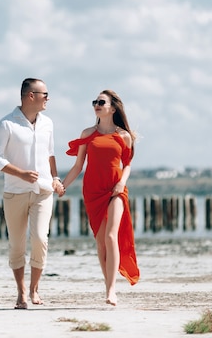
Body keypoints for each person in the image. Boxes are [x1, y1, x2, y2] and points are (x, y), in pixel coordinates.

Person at [0, 78, 65, 309]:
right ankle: (21, 292)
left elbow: (50, 154)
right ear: (30, 95)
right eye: (45, 94)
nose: (48, 98)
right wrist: (20, 173)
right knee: (17, 244)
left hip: (43, 191)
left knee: (41, 238)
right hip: (15, 192)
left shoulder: (48, 124)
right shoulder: (6, 124)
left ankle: (34, 289)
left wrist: (55, 178)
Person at [59, 89, 140, 305]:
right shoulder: (88, 134)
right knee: (101, 242)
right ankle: (109, 285)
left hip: (116, 189)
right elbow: (78, 166)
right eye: (95, 101)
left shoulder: (123, 136)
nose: (96, 104)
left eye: (101, 102)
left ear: (112, 108)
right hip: (93, 191)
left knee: (111, 236)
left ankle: (111, 291)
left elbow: (128, 165)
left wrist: (122, 182)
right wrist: (63, 186)